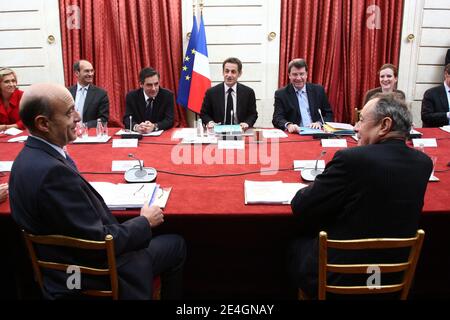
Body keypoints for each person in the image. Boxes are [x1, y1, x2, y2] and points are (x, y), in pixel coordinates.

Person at [9, 83, 186, 300]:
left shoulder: (25, 158)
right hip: (88, 274)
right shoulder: (53, 175)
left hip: (57, 269)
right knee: (176, 244)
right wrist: (144, 222)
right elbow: (98, 242)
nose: (78, 117)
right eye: (69, 113)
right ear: (43, 123)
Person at [287, 93, 433, 299]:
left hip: (340, 276)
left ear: (384, 125)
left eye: (362, 120)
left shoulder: (351, 159)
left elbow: (301, 206)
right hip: (392, 274)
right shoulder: (424, 163)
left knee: (296, 243)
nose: (355, 127)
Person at [272, 58, 333, 132]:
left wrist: (319, 123)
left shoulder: (318, 90)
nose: (298, 78)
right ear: (289, 75)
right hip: (295, 134)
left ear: (306, 74)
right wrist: (288, 125)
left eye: (301, 74)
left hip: (317, 132)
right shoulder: (281, 94)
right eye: (294, 74)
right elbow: (277, 118)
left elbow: (329, 114)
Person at [200, 57, 258, 131]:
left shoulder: (248, 92)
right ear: (223, 72)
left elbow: (253, 114)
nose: (229, 75)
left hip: (240, 131)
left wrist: (247, 123)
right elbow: (204, 113)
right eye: (226, 71)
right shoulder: (211, 92)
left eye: (233, 72)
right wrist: (210, 122)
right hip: (217, 132)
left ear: (239, 74)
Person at [123, 67, 174, 133]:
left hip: (159, 136)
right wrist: (136, 127)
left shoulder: (167, 95)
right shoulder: (131, 96)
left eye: (156, 84)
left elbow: (169, 120)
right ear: (141, 84)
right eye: (149, 85)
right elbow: (127, 119)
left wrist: (154, 126)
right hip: (138, 135)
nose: (153, 88)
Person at [68, 60, 109, 128]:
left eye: (92, 71)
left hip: (90, 134)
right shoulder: (67, 92)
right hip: (70, 134)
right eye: (87, 71)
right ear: (77, 73)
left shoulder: (101, 94)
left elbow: (103, 120)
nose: (90, 74)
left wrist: (84, 126)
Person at [421, 63, 450, 127]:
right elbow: (426, 117)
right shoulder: (431, 93)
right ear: (446, 74)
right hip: (438, 133)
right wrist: (447, 115)